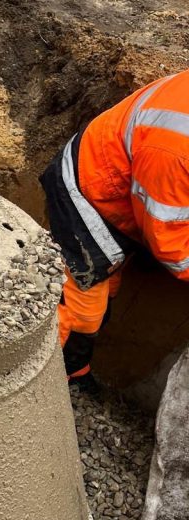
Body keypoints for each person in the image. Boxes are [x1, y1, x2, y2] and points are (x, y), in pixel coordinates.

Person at [41, 69, 189, 390]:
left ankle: (72, 369)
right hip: (88, 194)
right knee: (84, 310)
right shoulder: (175, 148)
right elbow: (171, 244)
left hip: (126, 189)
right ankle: (51, 383)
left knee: (108, 291)